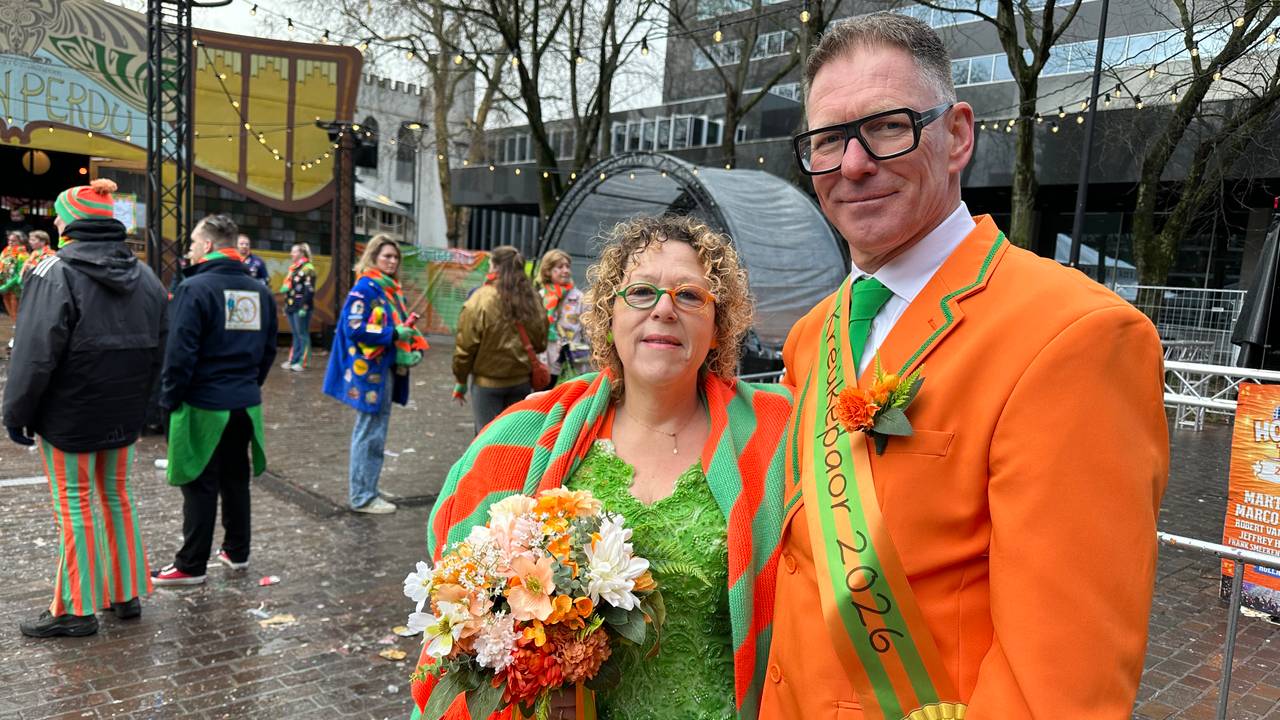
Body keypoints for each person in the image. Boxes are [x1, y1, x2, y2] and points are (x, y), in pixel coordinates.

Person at [760, 14, 1169, 719]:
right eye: (827, 140)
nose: (853, 164)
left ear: (956, 136)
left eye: (887, 126)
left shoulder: (1075, 336)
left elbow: (1060, 688)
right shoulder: (810, 336)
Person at [418, 214, 793, 720]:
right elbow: (460, 594)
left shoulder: (781, 434)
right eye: (641, 292)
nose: (663, 309)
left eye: (690, 295)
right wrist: (530, 684)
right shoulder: (526, 436)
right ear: (608, 314)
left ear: (718, 324)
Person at [2, 178, 167, 637]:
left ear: (71, 222)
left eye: (58, 214)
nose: (53, 221)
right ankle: (124, 592)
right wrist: (145, 407)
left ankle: (74, 609)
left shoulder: (52, 271)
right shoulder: (148, 276)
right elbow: (161, 350)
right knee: (117, 498)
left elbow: (33, 355)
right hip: (122, 414)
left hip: (69, 416)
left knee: (74, 506)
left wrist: (16, 413)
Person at [151, 213, 277, 586]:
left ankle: (191, 565)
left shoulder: (195, 288)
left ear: (207, 245)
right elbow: (268, 350)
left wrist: (168, 401)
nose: (189, 249)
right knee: (235, 477)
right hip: (244, 403)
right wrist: (248, 384)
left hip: (204, 404)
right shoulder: (261, 291)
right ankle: (237, 552)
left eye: (192, 242)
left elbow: (179, 355)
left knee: (200, 483)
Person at [323, 234, 429, 514]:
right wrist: (393, 333)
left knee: (374, 431)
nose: (392, 261)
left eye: (395, 257)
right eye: (387, 256)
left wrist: (409, 342)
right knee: (369, 432)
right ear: (373, 257)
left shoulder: (390, 289)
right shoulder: (366, 289)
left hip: (383, 370)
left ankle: (367, 488)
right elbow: (353, 327)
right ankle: (362, 496)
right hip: (370, 374)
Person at [451, 245, 548, 433]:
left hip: (487, 384)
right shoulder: (532, 298)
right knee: (514, 438)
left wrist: (461, 378)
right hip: (521, 382)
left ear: (495, 267)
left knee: (486, 439)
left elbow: (466, 345)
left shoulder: (481, 298)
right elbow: (540, 342)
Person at [536, 248, 588, 385]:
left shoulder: (579, 298)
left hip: (572, 364)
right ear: (548, 271)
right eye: (560, 267)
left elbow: (588, 331)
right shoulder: (540, 296)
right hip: (546, 363)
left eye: (567, 266)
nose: (565, 270)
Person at [281, 242, 317, 371]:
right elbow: (291, 289)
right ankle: (293, 360)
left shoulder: (308, 268)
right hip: (291, 305)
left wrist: (304, 306)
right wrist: (286, 305)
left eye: (294, 251)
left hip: (301, 306)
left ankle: (302, 362)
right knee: (295, 334)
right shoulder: (293, 268)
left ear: (301, 253)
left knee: (302, 334)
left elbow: (309, 290)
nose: (292, 254)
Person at [1, 230, 28, 320]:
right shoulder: (5, 251)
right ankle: (15, 327)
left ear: (21, 241)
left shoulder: (23, 255)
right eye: (9, 240)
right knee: (11, 313)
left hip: (15, 288)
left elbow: (20, 274)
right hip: (4, 286)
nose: (10, 242)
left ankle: (19, 331)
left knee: (17, 313)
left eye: (13, 241)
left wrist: (7, 286)